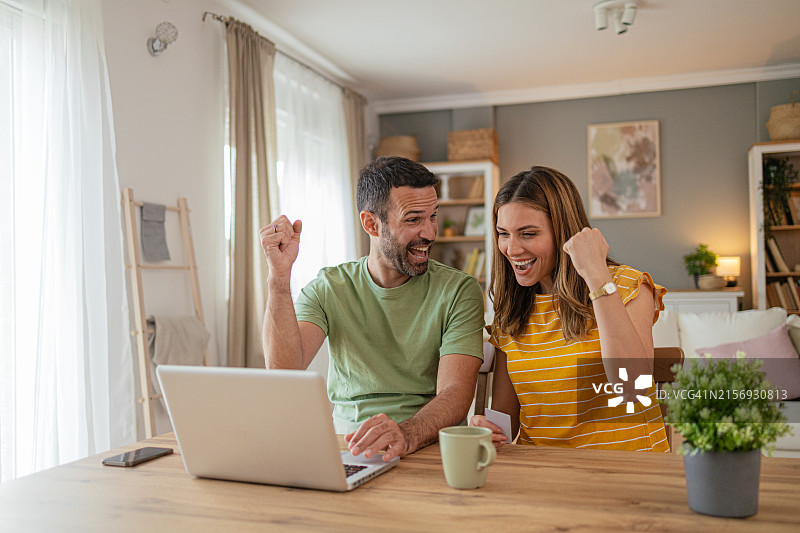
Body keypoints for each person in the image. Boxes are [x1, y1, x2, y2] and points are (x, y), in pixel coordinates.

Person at [260, 156, 485, 462]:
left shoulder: (458, 290)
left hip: (426, 450)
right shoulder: (330, 287)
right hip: (348, 451)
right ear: (371, 224)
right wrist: (279, 279)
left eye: (433, 216)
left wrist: (405, 435)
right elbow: (283, 373)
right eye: (413, 219)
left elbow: (456, 394)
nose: (431, 232)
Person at [471, 166, 670, 452]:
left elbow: (632, 389)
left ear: (564, 233)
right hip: (545, 474)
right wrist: (486, 429)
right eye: (504, 233)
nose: (511, 249)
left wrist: (597, 276)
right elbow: (506, 421)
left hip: (627, 473)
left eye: (527, 233)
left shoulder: (626, 286)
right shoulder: (511, 314)